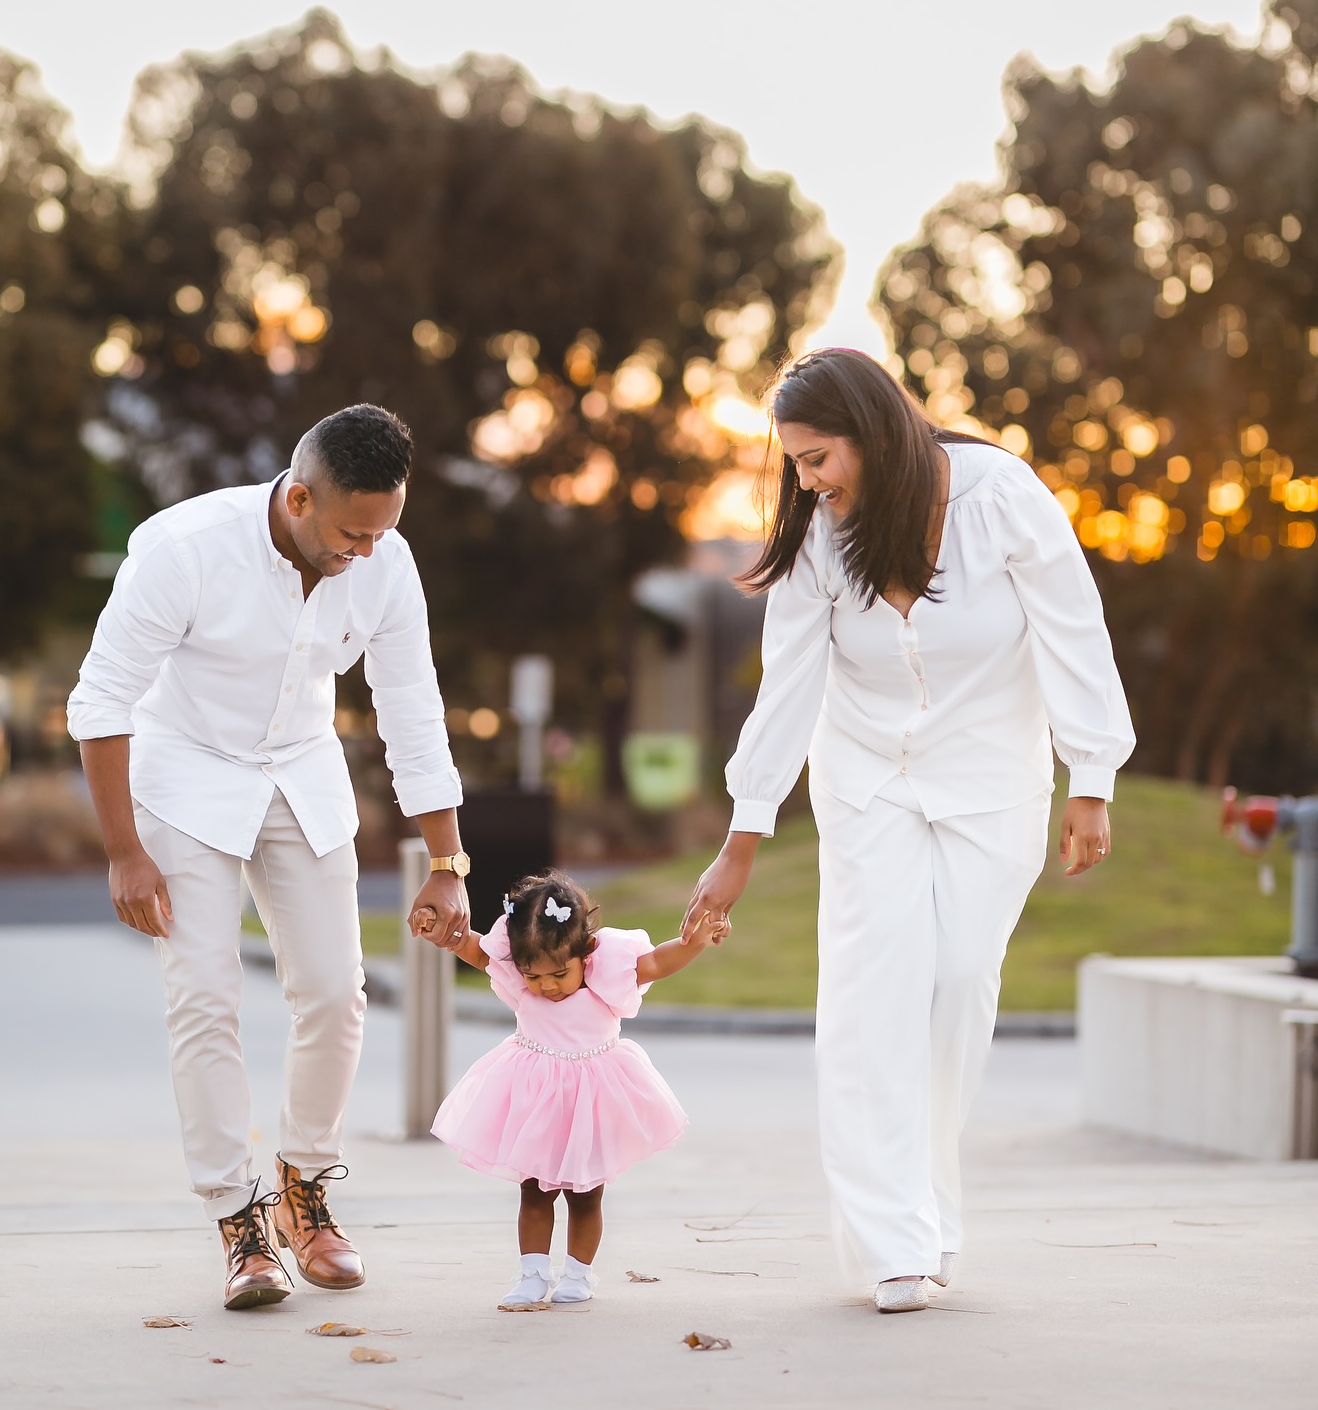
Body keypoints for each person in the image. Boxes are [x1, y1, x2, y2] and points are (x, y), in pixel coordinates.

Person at [680, 349, 1134, 1314]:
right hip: (870, 783)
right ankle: (896, 1241)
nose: (806, 481)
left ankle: (931, 1208)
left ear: (874, 429)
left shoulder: (1001, 496)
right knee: (870, 996)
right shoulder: (818, 540)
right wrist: (743, 835)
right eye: (795, 463)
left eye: (817, 457)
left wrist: (1090, 778)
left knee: (961, 982)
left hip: (992, 777)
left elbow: (1074, 629)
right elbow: (789, 686)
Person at [67, 404, 472, 1311]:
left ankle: (305, 1186)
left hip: (299, 769)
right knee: (205, 991)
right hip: (183, 775)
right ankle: (237, 1220)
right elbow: (100, 702)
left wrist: (449, 860)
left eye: (382, 531)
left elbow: (412, 708)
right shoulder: (183, 550)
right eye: (349, 532)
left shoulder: (386, 562)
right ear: (297, 497)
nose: (364, 552)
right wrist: (124, 851)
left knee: (336, 990)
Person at [429, 869, 722, 1310]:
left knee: (586, 1194)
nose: (546, 986)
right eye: (532, 976)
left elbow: (659, 962)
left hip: (591, 1100)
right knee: (534, 1189)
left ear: (585, 953)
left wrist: (696, 941)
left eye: (558, 974)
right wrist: (446, 936)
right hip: (535, 1098)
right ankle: (531, 1273)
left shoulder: (608, 972)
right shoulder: (520, 970)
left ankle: (579, 1274)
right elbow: (477, 952)